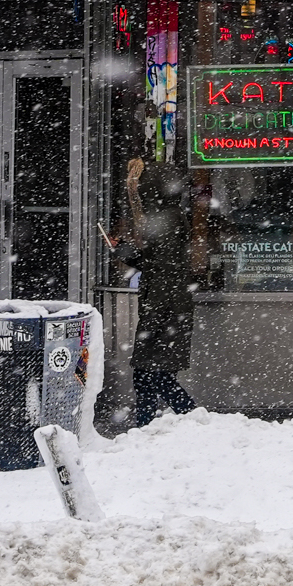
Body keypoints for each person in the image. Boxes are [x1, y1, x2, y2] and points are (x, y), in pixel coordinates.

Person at [114, 153, 197, 426]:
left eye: (135, 188)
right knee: (149, 374)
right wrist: (131, 256)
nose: (132, 194)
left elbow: (164, 272)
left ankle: (193, 418)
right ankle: (146, 427)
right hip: (167, 307)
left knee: (150, 374)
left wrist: (152, 318)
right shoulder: (166, 217)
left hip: (165, 309)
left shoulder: (164, 220)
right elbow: (161, 265)